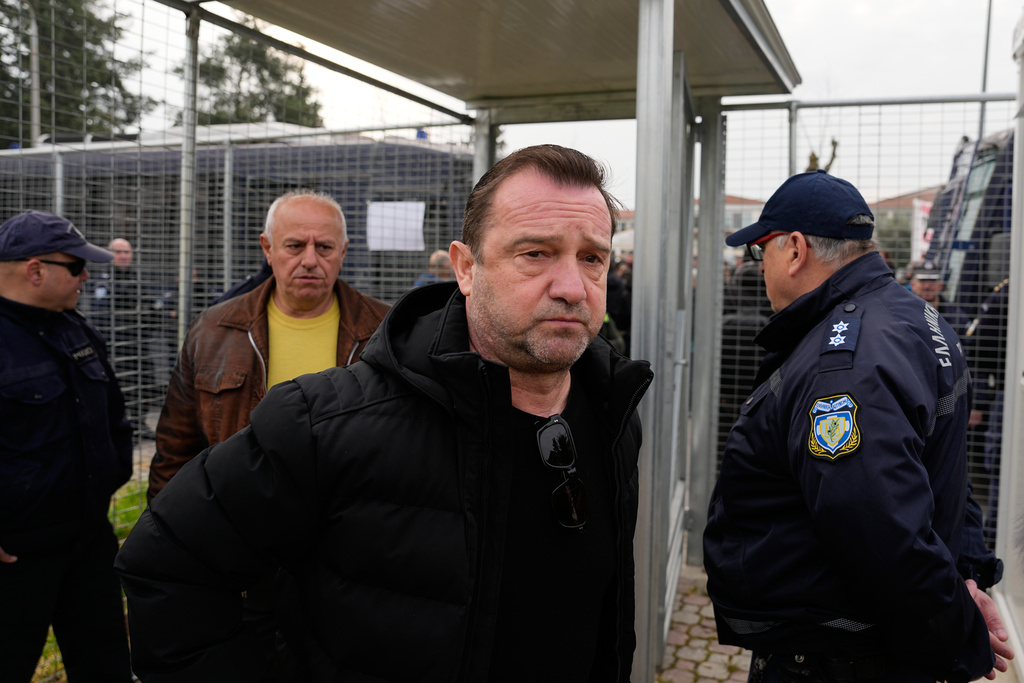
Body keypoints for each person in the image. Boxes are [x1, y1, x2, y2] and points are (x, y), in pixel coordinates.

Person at [116, 144, 653, 682]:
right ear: (466, 268)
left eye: (592, 257)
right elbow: (167, 563)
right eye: (535, 253)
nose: (571, 287)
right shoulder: (325, 421)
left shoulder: (613, 415)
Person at [703, 170, 1013, 682]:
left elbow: (879, 533)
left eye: (763, 252)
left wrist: (958, 629)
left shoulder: (842, 365)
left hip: (838, 659)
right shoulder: (916, 318)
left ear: (796, 249)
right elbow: (946, 475)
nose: (761, 270)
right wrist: (964, 577)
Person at [146, 189, 391, 500]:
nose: (310, 260)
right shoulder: (214, 330)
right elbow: (175, 448)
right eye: (295, 246)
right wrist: (169, 535)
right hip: (238, 523)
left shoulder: (385, 330)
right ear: (268, 248)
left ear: (343, 252)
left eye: (325, 247)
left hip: (352, 523)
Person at [0, 211, 133, 683]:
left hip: (86, 540)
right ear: (35, 270)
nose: (87, 275)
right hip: (16, 555)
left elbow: (114, 418)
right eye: (76, 267)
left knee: (105, 663)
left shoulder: (75, 329)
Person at [910, 257, 971, 336]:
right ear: (913, 285)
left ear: (941, 285)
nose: (927, 286)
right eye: (922, 281)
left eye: (933, 281)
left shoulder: (955, 316)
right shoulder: (905, 313)